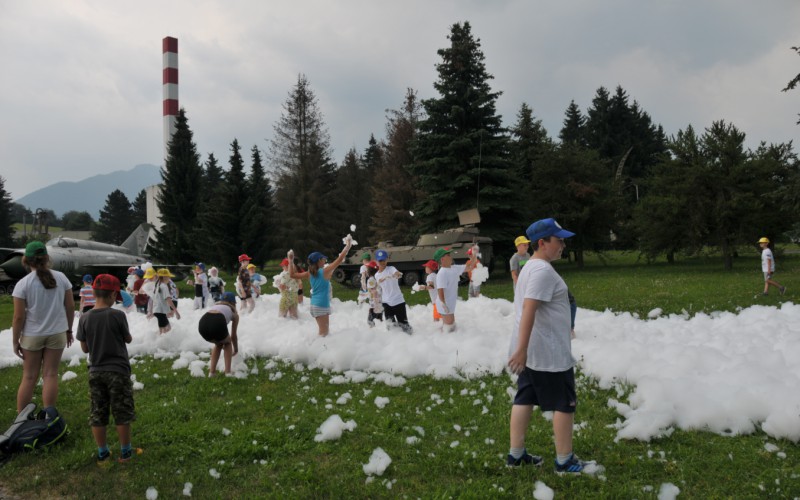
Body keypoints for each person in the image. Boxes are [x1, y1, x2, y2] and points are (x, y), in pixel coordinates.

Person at [506, 218, 594, 474]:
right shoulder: (542, 271)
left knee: (525, 397)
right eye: (559, 240)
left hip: (534, 351)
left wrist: (523, 349)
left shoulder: (531, 268)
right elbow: (529, 308)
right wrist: (522, 350)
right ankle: (565, 462)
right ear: (542, 243)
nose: (563, 245)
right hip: (547, 353)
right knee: (564, 403)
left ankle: (516, 456)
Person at [76, 274, 141, 465]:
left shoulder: (84, 318)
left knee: (98, 411)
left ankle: (102, 453)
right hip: (118, 371)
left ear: (94, 293)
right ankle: (125, 452)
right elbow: (128, 339)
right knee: (122, 412)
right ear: (113, 295)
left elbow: (84, 348)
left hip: (95, 371)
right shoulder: (118, 315)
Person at [11, 241, 75, 413]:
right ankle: (49, 416)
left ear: (25, 260)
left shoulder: (23, 284)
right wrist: (69, 330)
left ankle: (21, 419)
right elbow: (70, 306)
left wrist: (15, 341)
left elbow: (18, 317)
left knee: (29, 377)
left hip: (32, 336)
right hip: (57, 333)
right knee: (50, 374)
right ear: (47, 258)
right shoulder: (62, 278)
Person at [288, 236, 353, 337]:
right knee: (323, 334)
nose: (325, 260)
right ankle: (315, 346)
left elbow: (292, 275)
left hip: (317, 304)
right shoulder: (324, 271)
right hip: (320, 305)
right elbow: (340, 259)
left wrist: (291, 261)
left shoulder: (310, 273)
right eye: (323, 259)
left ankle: (319, 346)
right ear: (319, 260)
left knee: (324, 333)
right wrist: (348, 246)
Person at [434, 246, 478, 332]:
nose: (451, 257)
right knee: (450, 326)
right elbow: (440, 290)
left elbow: (469, 267)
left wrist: (474, 255)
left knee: (450, 326)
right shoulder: (442, 273)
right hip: (444, 304)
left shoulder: (453, 268)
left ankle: (441, 335)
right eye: (448, 255)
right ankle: (438, 337)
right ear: (442, 259)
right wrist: (443, 303)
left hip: (450, 303)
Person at [198, 292, 239, 376]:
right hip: (217, 321)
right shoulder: (234, 312)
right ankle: (228, 372)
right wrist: (236, 349)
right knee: (228, 343)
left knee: (219, 344)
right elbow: (233, 336)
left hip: (203, 324)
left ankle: (212, 372)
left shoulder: (215, 306)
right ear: (233, 303)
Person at [374, 249, 413, 334]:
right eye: (380, 260)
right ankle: (395, 340)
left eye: (384, 260)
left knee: (403, 324)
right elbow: (379, 289)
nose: (382, 262)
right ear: (376, 261)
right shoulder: (376, 275)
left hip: (398, 301)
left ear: (387, 259)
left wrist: (397, 274)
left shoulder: (391, 269)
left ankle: (410, 337)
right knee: (390, 326)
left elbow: (397, 273)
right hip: (386, 303)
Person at [152, 269, 180, 334]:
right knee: (165, 330)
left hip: (157, 311)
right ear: (164, 277)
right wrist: (176, 311)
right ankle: (160, 340)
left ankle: (157, 338)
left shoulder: (157, 285)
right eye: (168, 276)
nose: (169, 278)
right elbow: (168, 300)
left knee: (165, 329)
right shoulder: (164, 286)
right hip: (160, 312)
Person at [365, 261, 383, 327]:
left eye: (367, 269)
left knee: (370, 321)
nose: (366, 270)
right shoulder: (377, 278)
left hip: (374, 304)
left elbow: (374, 291)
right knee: (379, 320)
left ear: (370, 270)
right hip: (379, 302)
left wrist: (375, 304)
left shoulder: (371, 280)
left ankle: (373, 331)